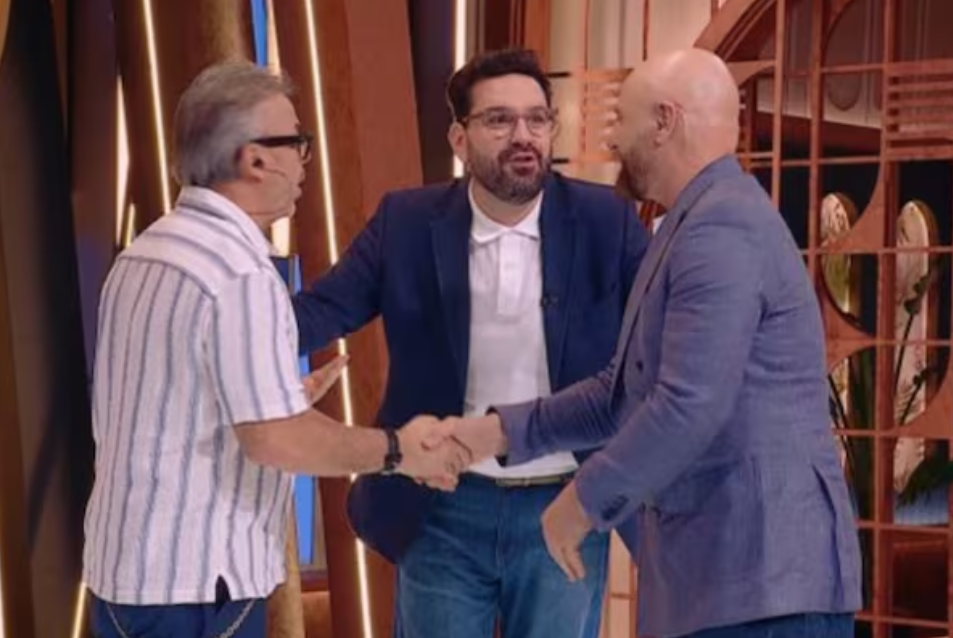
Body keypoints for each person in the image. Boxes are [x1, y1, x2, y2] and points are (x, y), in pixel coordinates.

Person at [447, 48, 862, 638]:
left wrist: (580, 503)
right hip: (728, 587)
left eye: (621, 118)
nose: (611, 137)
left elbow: (689, 403)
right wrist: (496, 433)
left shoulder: (721, 226)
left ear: (665, 122)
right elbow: (621, 394)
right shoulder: (691, 223)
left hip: (761, 587)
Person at [81, 61, 466, 638]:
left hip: (121, 579)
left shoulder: (143, 253)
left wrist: (273, 394)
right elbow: (275, 440)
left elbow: (165, 399)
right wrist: (398, 451)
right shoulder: (240, 273)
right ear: (255, 159)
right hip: (200, 590)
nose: (304, 162)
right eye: (297, 142)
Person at [292, 48, 648, 638]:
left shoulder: (606, 219)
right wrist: (232, 325)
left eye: (537, 119)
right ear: (459, 139)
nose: (523, 135)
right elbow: (321, 310)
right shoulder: (407, 221)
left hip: (565, 501)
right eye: (499, 120)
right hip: (441, 503)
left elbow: (659, 345)